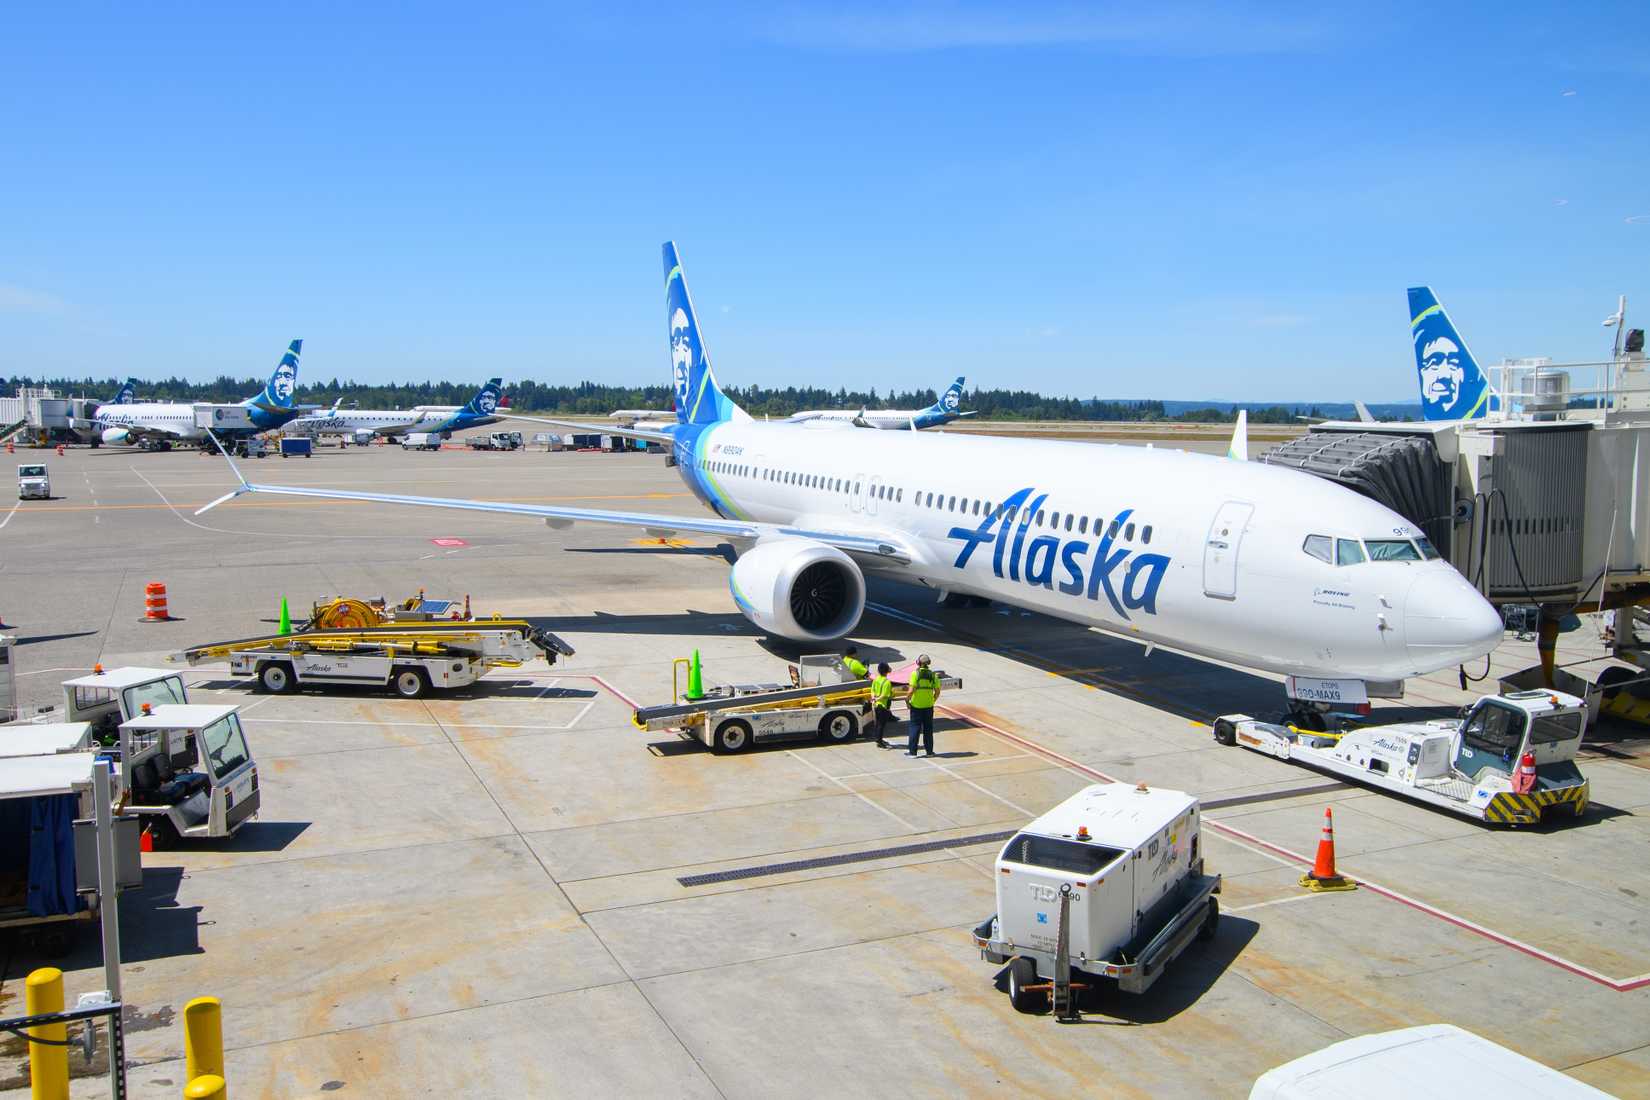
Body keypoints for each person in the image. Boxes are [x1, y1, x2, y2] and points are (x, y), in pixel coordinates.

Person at [906, 654, 941, 757]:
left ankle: (912, 752)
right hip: (928, 706)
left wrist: (907, 700)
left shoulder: (915, 674)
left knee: (914, 728)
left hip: (916, 706)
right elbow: (938, 692)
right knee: (928, 729)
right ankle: (929, 752)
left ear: (918, 662)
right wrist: (932, 700)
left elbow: (911, 691)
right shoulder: (933, 675)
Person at [869, 662, 895, 747]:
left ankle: (877, 738)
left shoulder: (876, 679)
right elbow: (885, 695)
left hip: (876, 705)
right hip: (883, 706)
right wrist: (878, 698)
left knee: (878, 723)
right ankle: (879, 741)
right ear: (886, 671)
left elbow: (872, 690)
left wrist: (874, 698)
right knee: (881, 724)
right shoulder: (887, 682)